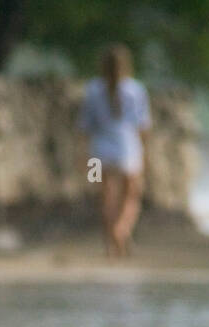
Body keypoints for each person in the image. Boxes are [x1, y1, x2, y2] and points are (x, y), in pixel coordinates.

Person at [77, 43, 151, 258]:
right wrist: (146, 153)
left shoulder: (92, 89)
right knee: (131, 196)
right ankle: (121, 230)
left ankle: (110, 242)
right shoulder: (136, 90)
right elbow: (143, 126)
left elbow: (84, 126)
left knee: (106, 198)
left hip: (99, 149)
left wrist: (83, 155)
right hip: (128, 147)